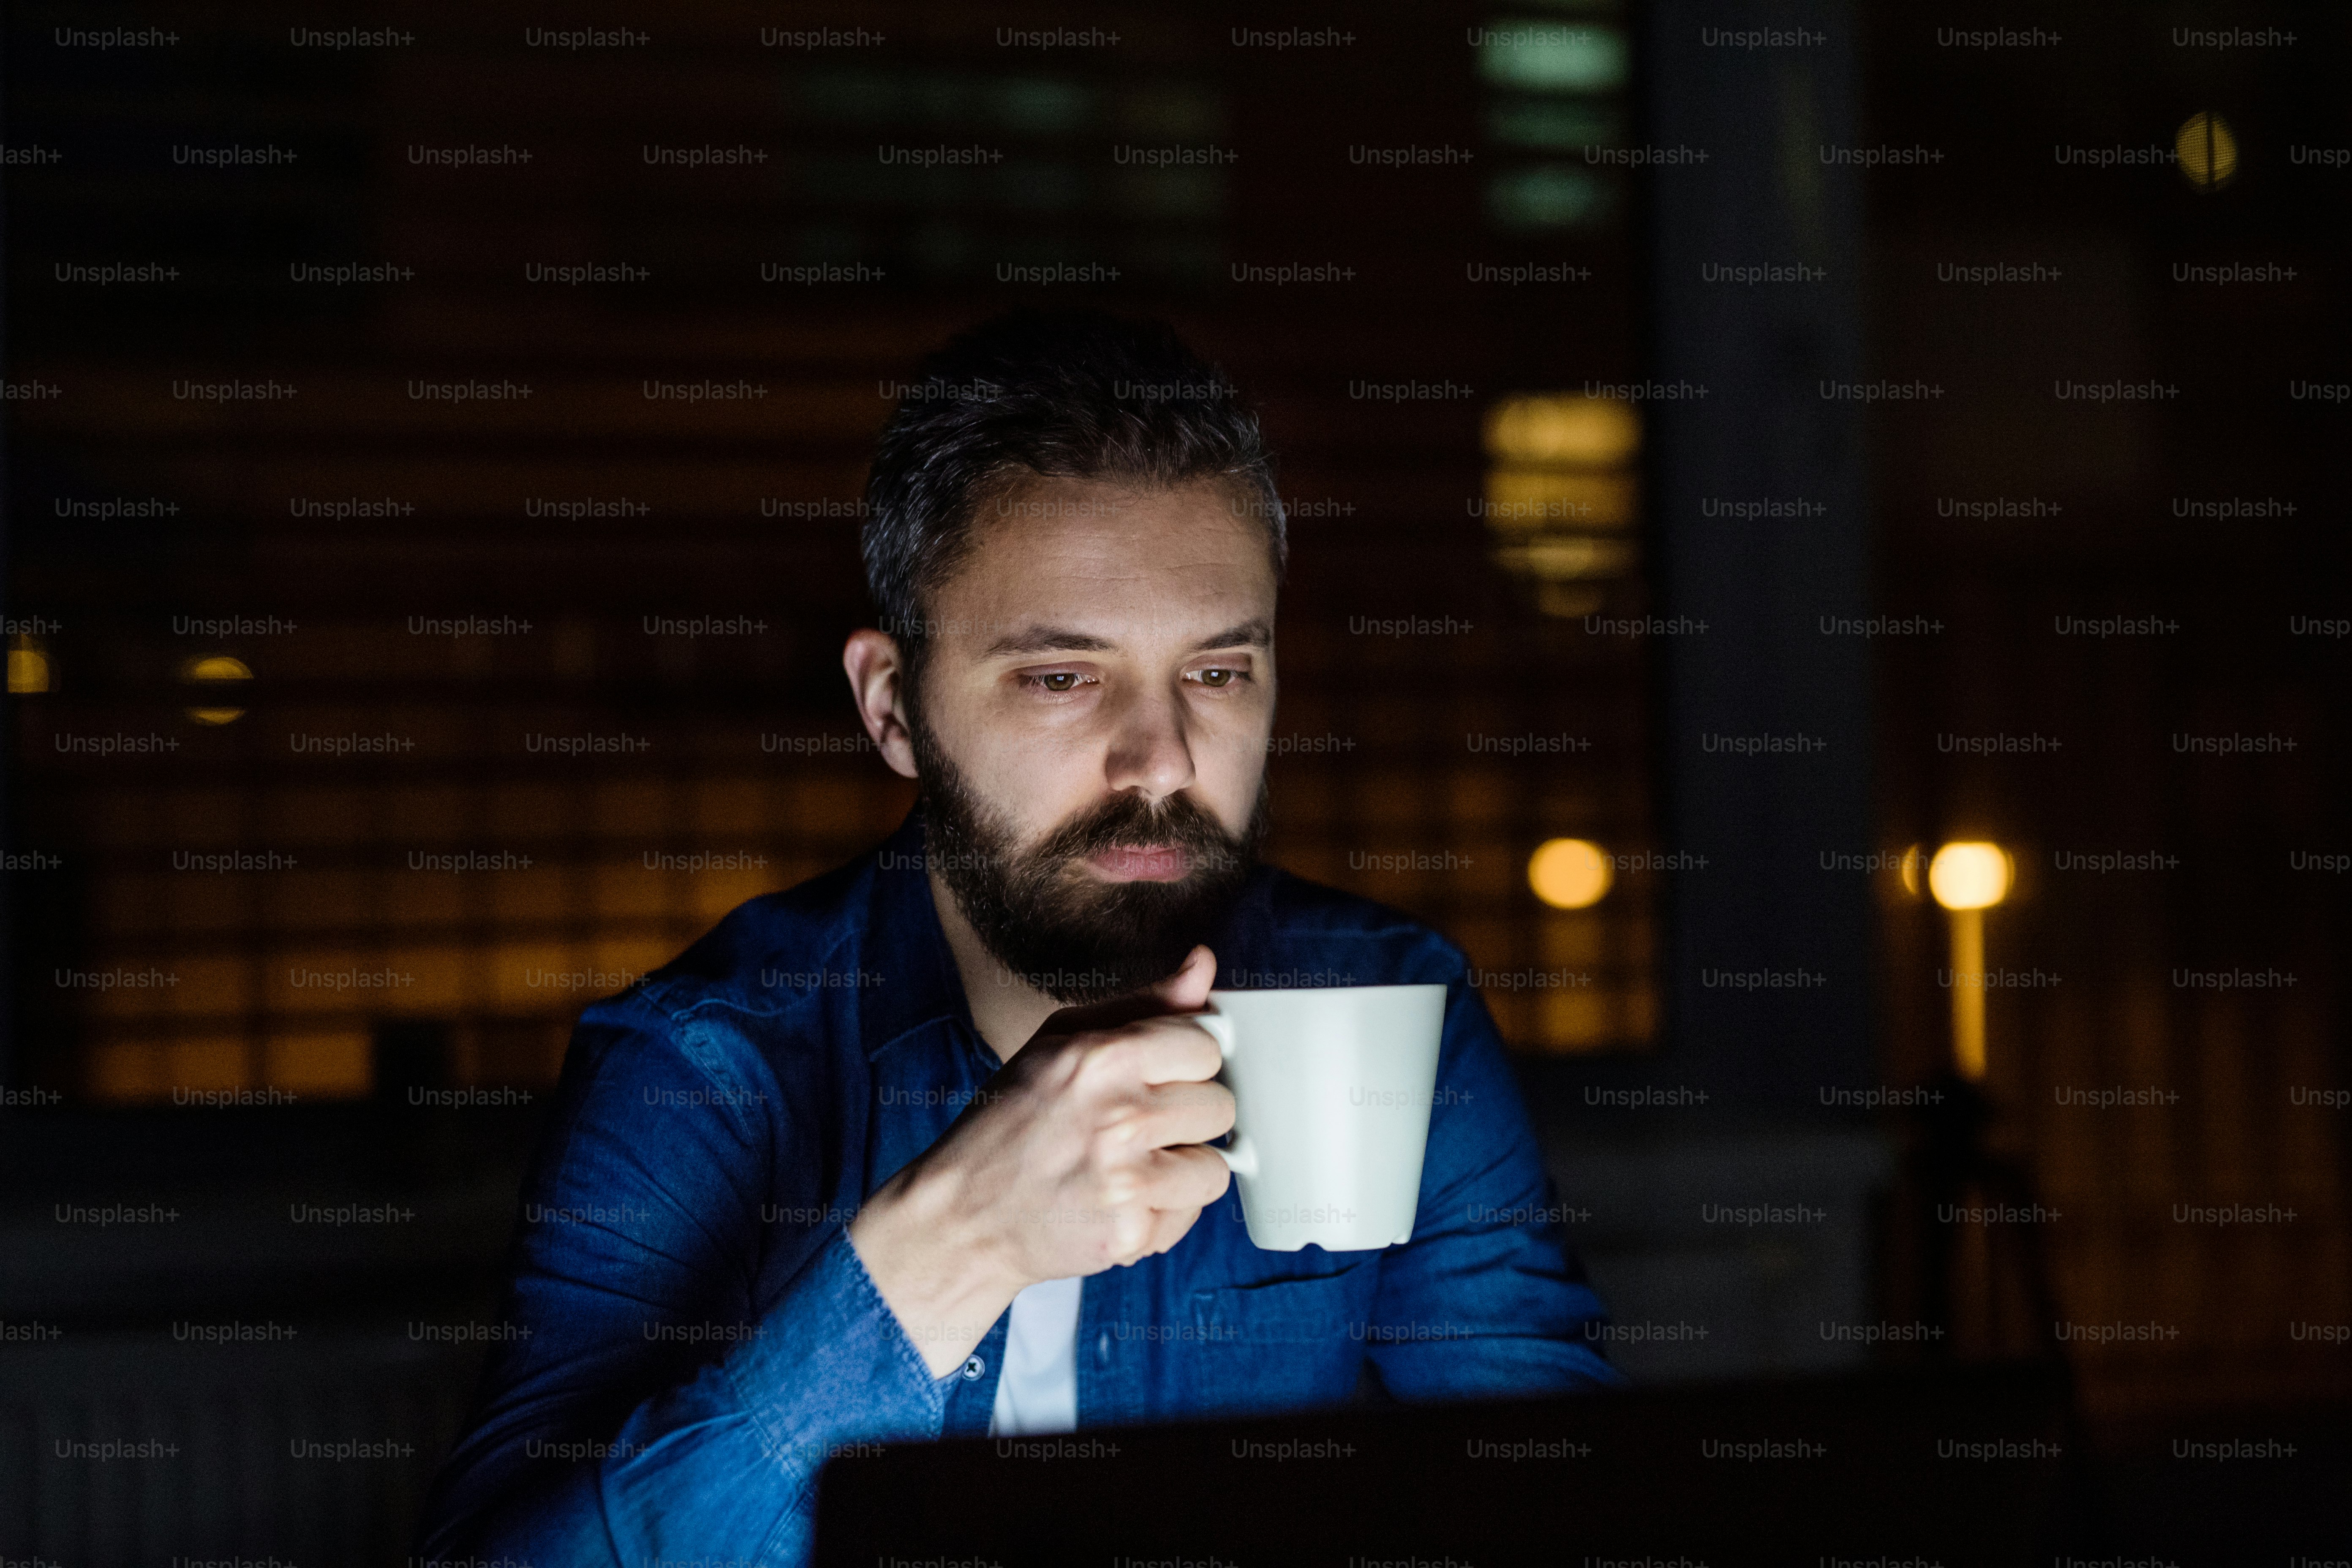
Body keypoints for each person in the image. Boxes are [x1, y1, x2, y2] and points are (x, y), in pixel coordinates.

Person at [417, 311, 1621, 1567]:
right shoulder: (709, 1068)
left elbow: (1564, 1507)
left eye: (1217, 674)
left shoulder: (1379, 1012)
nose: (1162, 759)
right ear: (893, 707)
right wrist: (947, 1254)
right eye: (1064, 678)